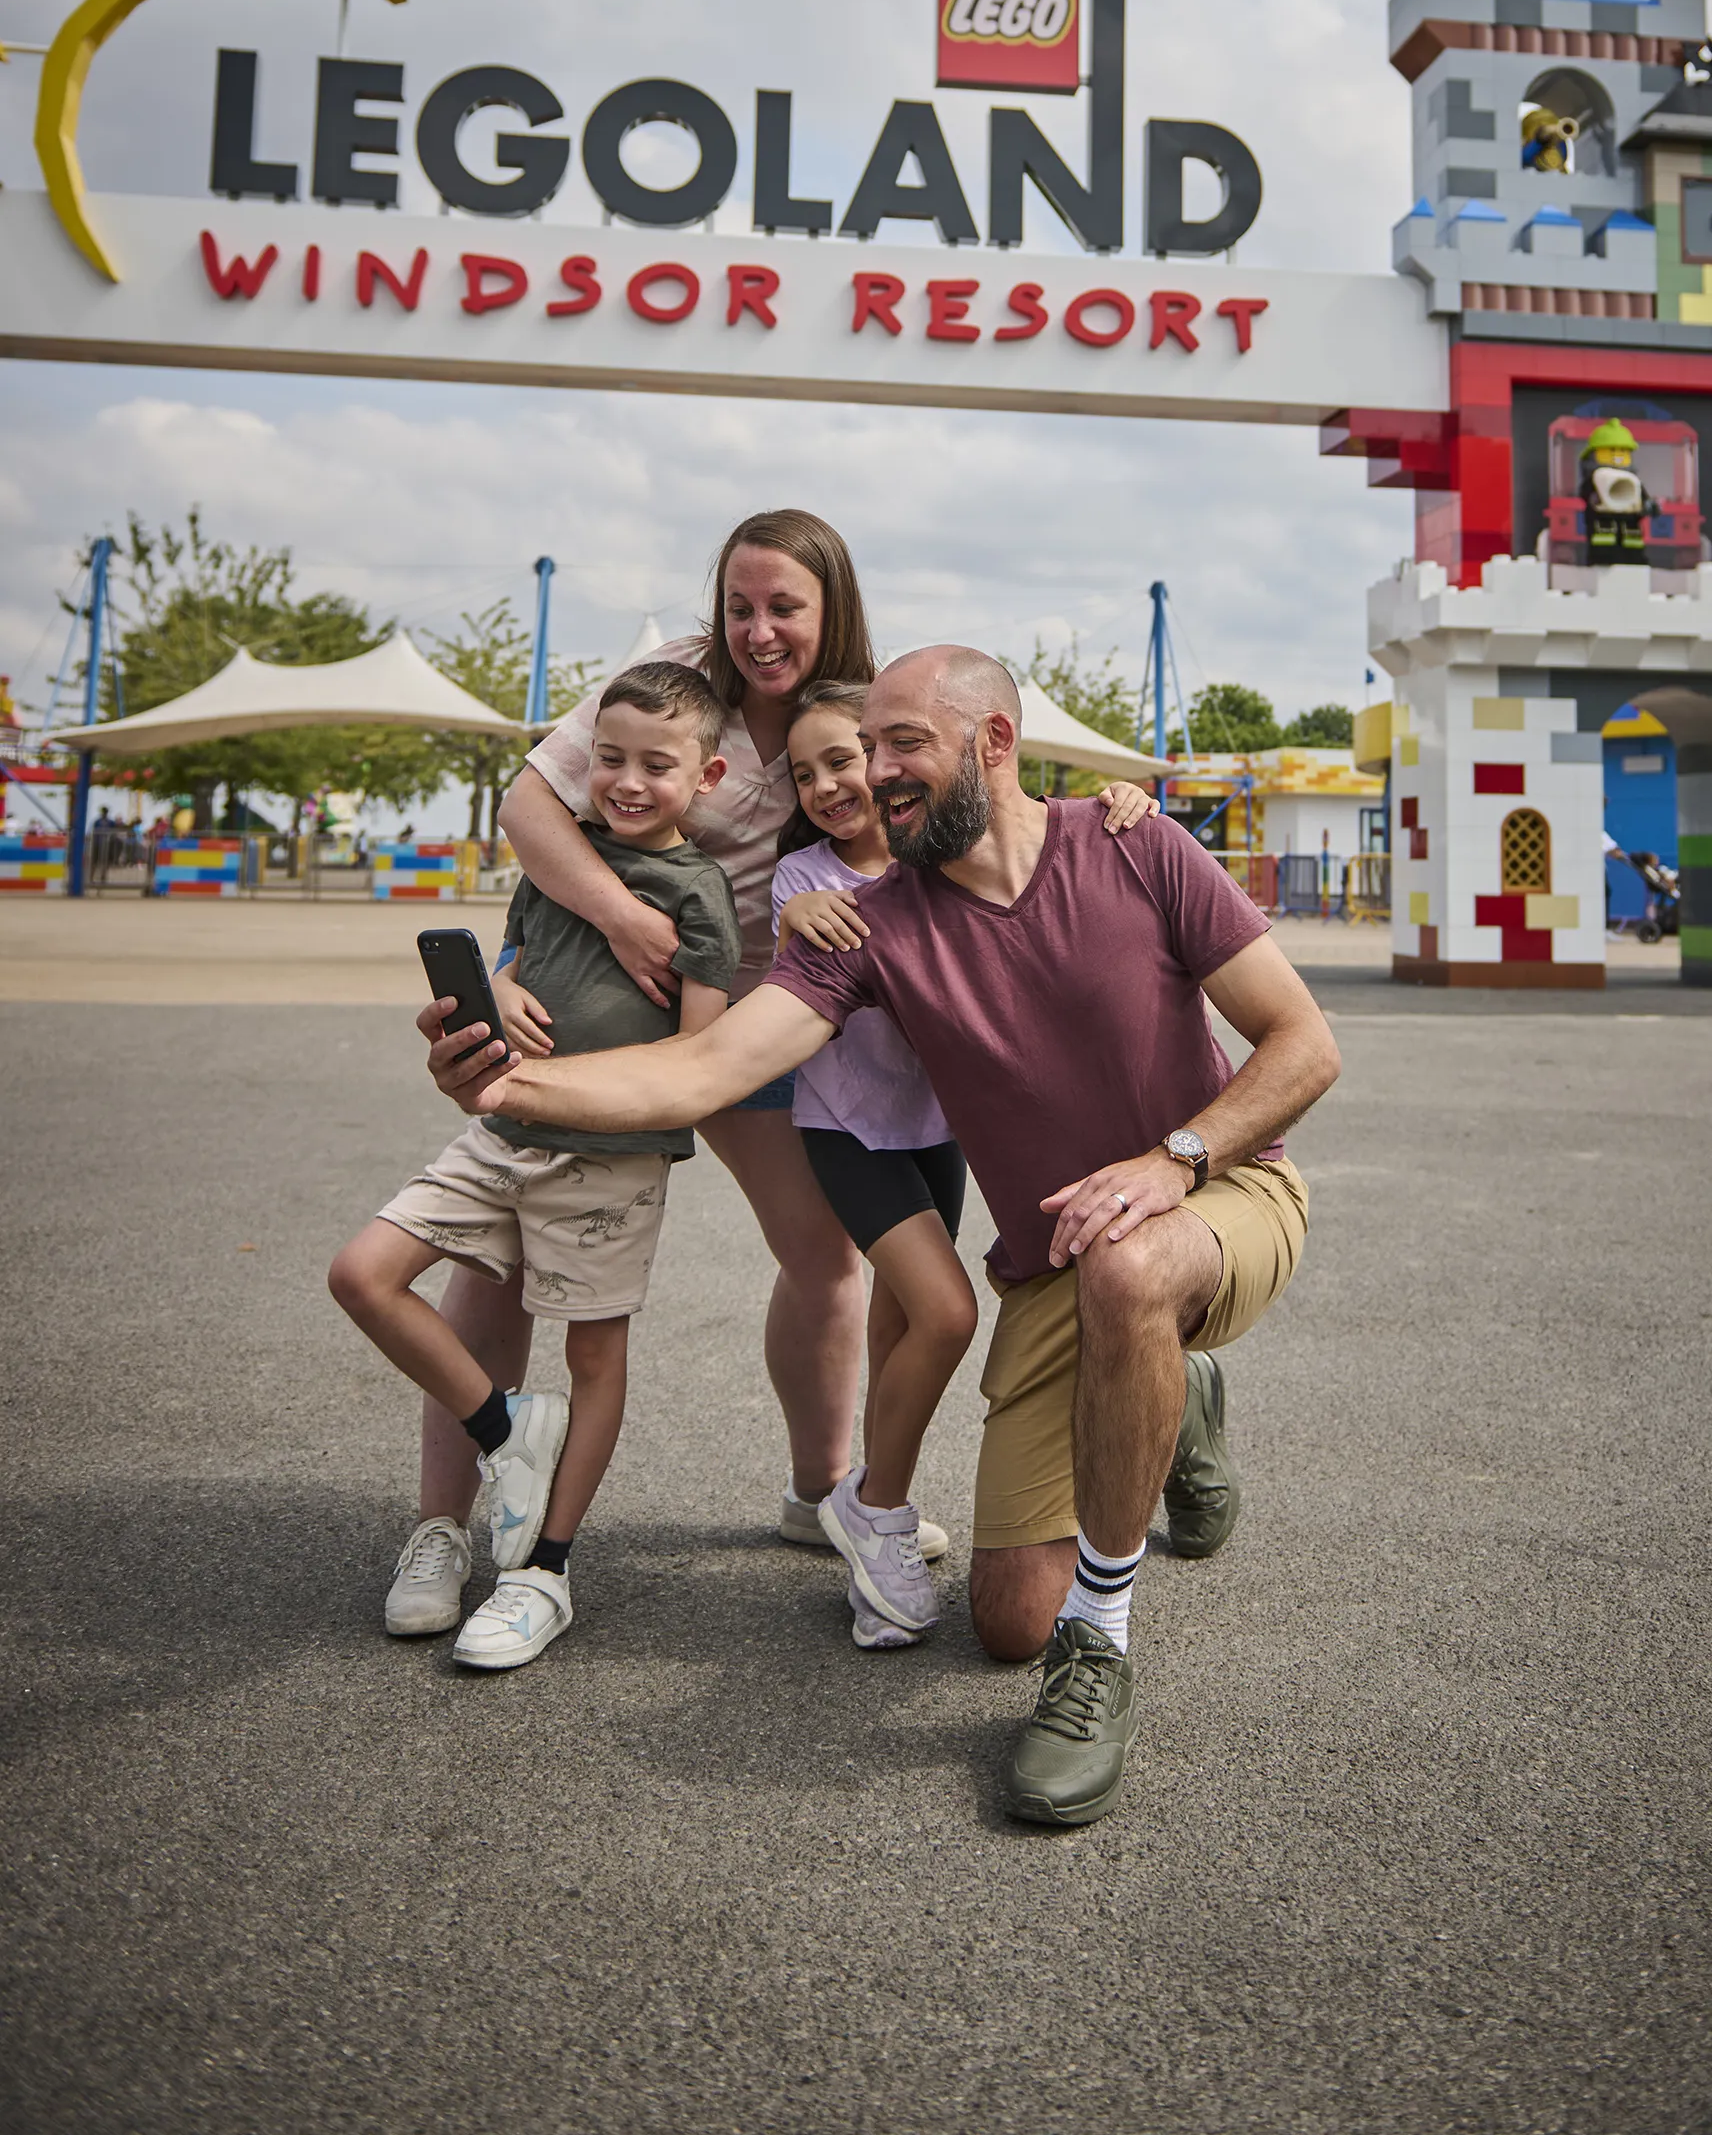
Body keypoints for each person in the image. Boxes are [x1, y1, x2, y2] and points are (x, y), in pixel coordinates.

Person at [424, 645, 1340, 1824]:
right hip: (1058, 1266)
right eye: (870, 747)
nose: (876, 772)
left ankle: (1101, 1651)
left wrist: (1173, 1161)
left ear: (994, 746)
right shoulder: (865, 927)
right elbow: (701, 1068)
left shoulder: (1135, 844)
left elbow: (1302, 1044)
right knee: (1007, 1620)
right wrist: (509, 1092)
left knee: (1130, 1269)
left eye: (904, 745)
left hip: (1220, 1195)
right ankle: (1172, 1395)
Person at [379, 508, 904, 1639]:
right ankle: (443, 1524)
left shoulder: (859, 710)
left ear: (833, 611)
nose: (758, 630)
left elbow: (956, 804)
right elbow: (530, 804)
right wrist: (623, 920)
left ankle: (822, 1492)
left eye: (785, 608)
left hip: (759, 1014)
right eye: (739, 604)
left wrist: (1097, 812)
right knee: (497, 1259)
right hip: (600, 1006)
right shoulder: (669, 681)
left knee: (823, 1256)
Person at [331, 658, 740, 1669]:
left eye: (657, 764)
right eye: (609, 759)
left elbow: (701, 1057)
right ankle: (502, 1426)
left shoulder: (699, 897)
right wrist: (499, 995)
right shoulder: (559, 864)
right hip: (498, 1138)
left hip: (609, 1165)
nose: (628, 782)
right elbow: (511, 962)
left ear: (710, 780)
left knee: (594, 1357)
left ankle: (544, 1572)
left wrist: (611, 1084)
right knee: (362, 1275)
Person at [772, 678, 1152, 1650]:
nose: (827, 783)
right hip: (847, 1130)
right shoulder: (806, 883)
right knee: (945, 1312)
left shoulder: (941, 858)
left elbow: (1023, 856)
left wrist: (1119, 804)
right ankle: (875, 1507)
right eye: (805, 771)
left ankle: (870, 1530)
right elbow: (810, 947)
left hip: (933, 1131)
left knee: (906, 1325)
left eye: (844, 758)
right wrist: (796, 919)